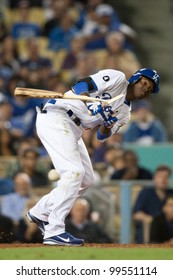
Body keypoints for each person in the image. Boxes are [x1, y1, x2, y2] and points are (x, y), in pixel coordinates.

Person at [26, 67, 160, 246]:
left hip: (75, 129)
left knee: (87, 180)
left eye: (150, 88)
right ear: (136, 78)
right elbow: (80, 84)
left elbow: (102, 136)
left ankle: (40, 211)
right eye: (145, 82)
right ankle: (54, 230)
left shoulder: (126, 113)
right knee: (73, 172)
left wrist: (106, 122)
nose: (146, 88)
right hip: (57, 116)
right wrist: (91, 104)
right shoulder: (118, 78)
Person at [133, 165, 173, 243]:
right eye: (160, 177)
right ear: (154, 178)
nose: (163, 180)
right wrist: (153, 220)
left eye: (166, 177)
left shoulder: (170, 193)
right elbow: (137, 214)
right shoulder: (146, 193)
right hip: (151, 228)